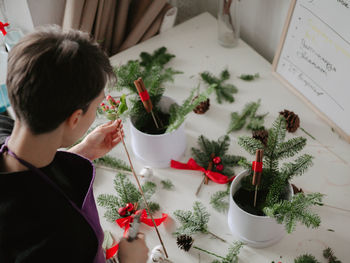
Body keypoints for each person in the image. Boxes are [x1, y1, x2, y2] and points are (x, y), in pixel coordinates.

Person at [0, 26, 149, 263]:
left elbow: (26, 181)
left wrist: (81, 152)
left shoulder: (3, 129)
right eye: (98, 105)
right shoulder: (63, 239)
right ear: (75, 119)